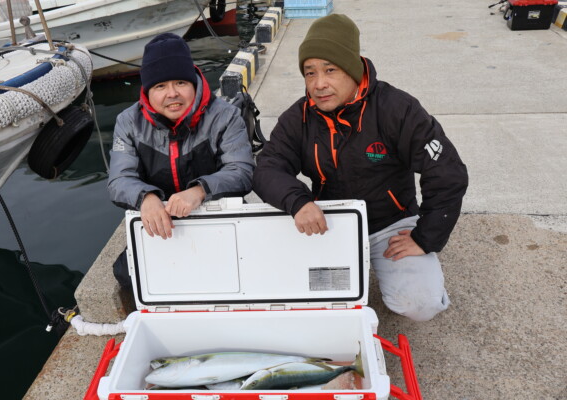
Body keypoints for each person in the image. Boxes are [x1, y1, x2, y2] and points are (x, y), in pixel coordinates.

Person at [252, 14, 468, 322]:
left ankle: (418, 274)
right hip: (330, 221)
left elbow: (448, 171)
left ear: (353, 70)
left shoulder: (397, 109)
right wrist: (298, 201)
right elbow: (267, 168)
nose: (319, 84)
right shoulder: (298, 117)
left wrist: (425, 238)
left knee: (421, 305)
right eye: (310, 73)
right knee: (316, 310)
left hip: (390, 223)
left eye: (330, 70)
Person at [108, 33, 255, 287]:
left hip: (216, 216)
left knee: (241, 271)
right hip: (163, 222)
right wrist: (146, 197)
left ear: (194, 83)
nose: (172, 94)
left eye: (180, 83)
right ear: (147, 91)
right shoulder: (127, 122)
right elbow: (120, 179)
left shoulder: (226, 116)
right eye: (160, 86)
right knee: (128, 274)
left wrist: (200, 190)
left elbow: (241, 170)